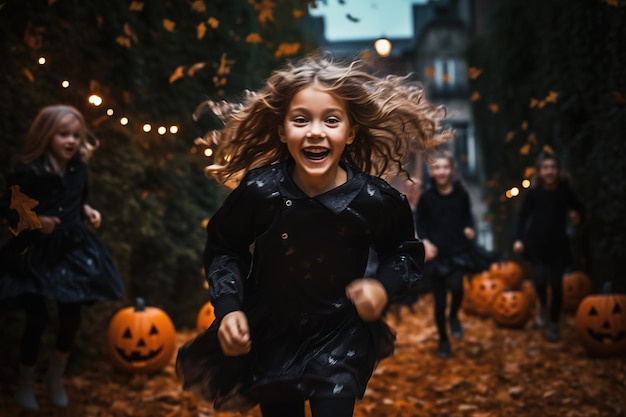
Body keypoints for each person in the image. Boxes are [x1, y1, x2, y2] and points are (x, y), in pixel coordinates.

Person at [177, 54, 448, 417]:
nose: (316, 131)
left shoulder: (374, 200)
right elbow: (225, 247)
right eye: (301, 119)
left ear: (350, 132)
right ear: (282, 129)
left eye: (331, 120)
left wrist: (382, 286)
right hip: (272, 337)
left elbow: (405, 252)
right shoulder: (261, 191)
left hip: (341, 336)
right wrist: (228, 310)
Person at [0, 104, 124, 411]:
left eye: (76, 135)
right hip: (35, 252)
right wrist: (37, 222)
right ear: (46, 135)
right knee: (37, 318)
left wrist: (87, 210)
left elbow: (77, 198)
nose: (71, 141)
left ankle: (56, 375)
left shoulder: (78, 167)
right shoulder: (28, 173)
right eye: (63, 134)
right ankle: (26, 381)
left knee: (71, 315)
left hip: (72, 250)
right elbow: (10, 212)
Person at [415, 150, 494, 358]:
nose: (441, 171)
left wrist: (469, 228)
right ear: (431, 171)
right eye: (436, 167)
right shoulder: (427, 198)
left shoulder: (461, 194)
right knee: (439, 302)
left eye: (444, 167)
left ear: (451, 170)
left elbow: (467, 216)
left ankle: (454, 316)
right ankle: (443, 339)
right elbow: (420, 224)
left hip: (458, 250)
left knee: (458, 288)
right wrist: (425, 242)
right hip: (437, 255)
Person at [512, 151, 584, 342]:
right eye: (545, 168)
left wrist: (577, 216)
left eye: (552, 167)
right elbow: (521, 218)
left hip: (558, 245)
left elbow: (579, 208)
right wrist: (518, 239)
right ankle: (543, 303)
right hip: (536, 244)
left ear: (558, 170)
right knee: (541, 280)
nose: (549, 171)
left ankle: (554, 324)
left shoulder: (565, 191)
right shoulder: (534, 194)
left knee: (558, 285)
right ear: (540, 172)